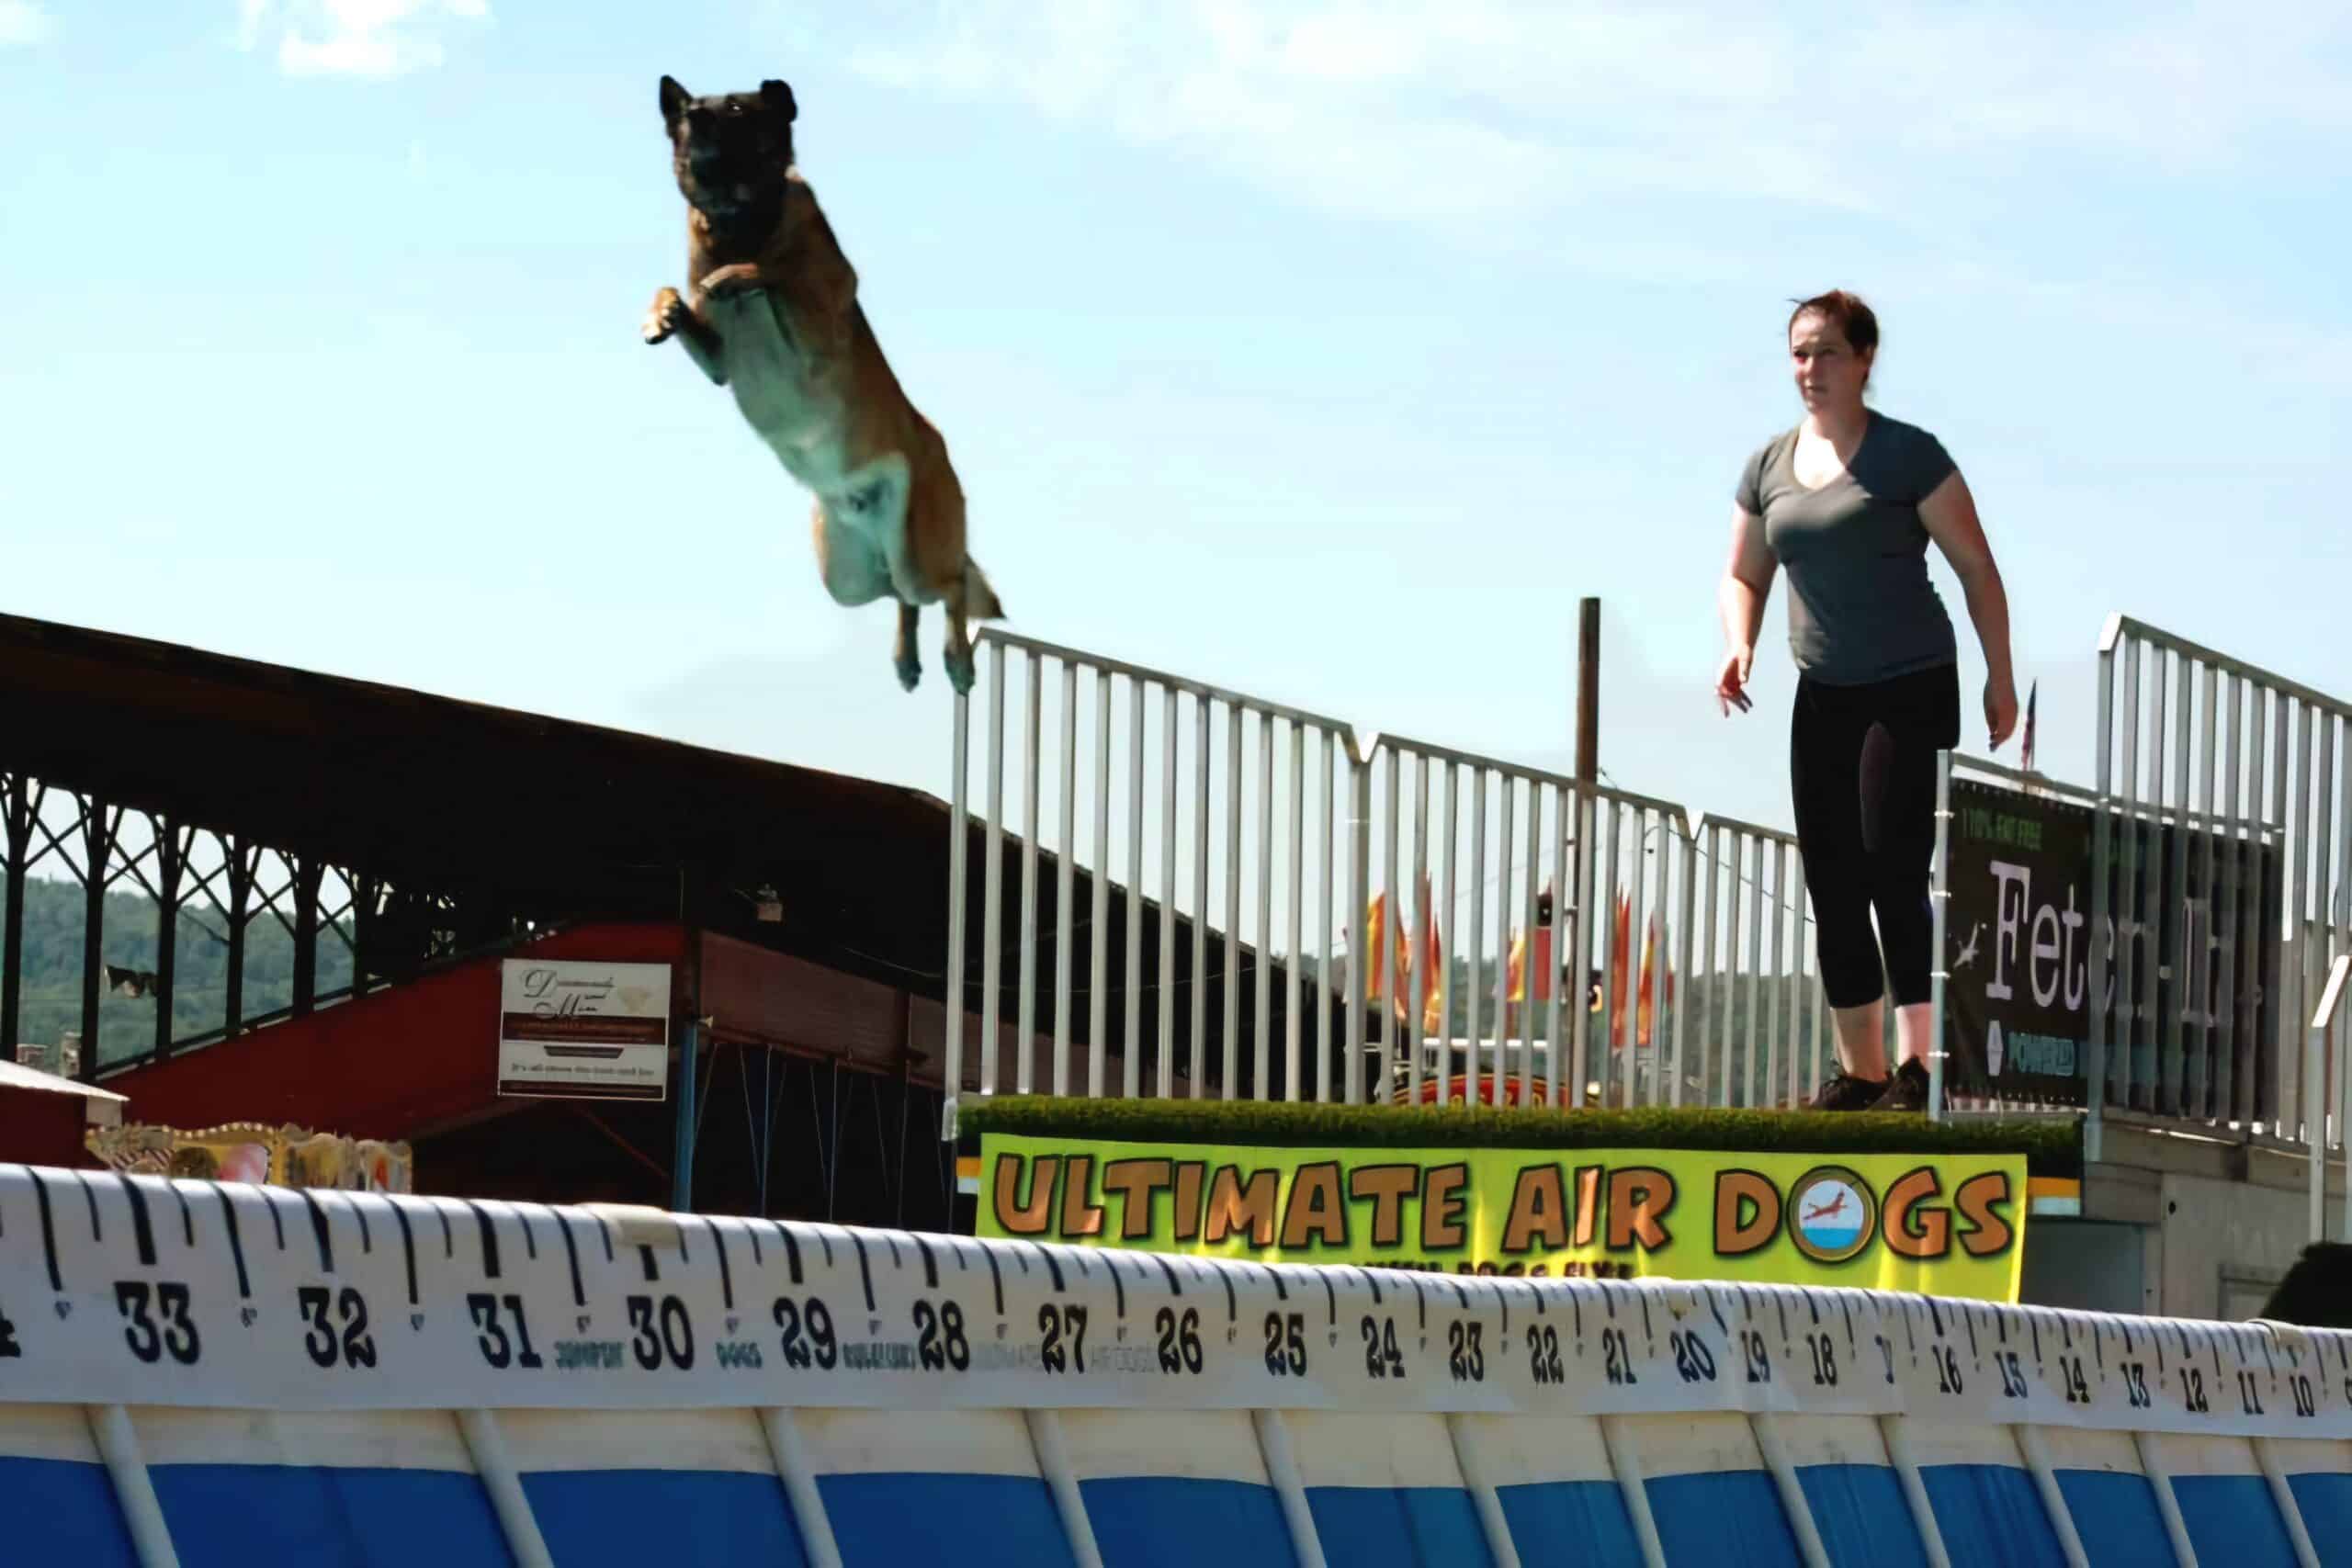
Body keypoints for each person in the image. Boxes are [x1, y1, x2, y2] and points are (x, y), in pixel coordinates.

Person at [1714, 289, 2017, 1111]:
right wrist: (1741, 642)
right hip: (1825, 693)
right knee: (1833, 881)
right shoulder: (1769, 466)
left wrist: (2000, 674)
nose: (1810, 368)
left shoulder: (1908, 458)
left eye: (1826, 352)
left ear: (1865, 360)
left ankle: (1923, 1065)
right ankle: (1864, 1071)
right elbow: (1745, 573)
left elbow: (1977, 567)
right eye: (1800, 353)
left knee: (1893, 866)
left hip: (1909, 684)